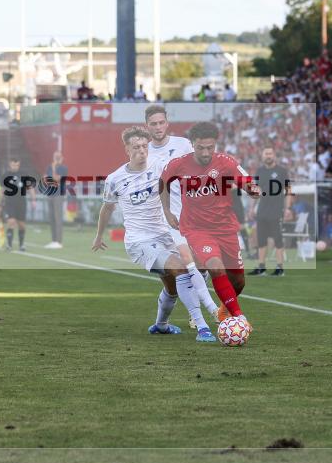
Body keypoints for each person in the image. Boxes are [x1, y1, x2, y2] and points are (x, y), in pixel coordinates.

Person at [93, 126, 216, 342]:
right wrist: (99, 235)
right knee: (181, 270)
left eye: (144, 146)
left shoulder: (160, 167)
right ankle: (202, 327)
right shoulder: (115, 179)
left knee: (175, 285)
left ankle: (161, 325)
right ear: (127, 150)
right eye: (136, 147)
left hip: (166, 234)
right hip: (140, 240)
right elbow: (107, 208)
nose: (141, 150)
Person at [160, 121, 260, 326]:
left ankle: (226, 307)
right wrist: (167, 211)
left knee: (238, 281)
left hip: (225, 227)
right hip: (196, 229)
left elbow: (247, 181)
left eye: (210, 147)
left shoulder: (226, 162)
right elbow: (162, 184)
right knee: (215, 266)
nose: (205, 152)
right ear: (193, 144)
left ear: (215, 145)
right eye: (200, 147)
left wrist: (252, 190)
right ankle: (239, 318)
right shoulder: (178, 164)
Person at [144, 105, 221, 322]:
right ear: (147, 126)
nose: (158, 127)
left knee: (199, 263)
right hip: (156, 221)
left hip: (187, 215)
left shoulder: (183, 145)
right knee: (171, 280)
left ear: (167, 123)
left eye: (161, 122)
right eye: (153, 123)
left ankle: (199, 314)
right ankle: (163, 322)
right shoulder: (144, 151)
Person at [248, 147, 292, 277]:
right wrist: (251, 208)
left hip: (277, 210)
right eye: (266, 153)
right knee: (261, 240)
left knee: (278, 240)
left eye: (270, 153)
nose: (268, 156)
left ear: (274, 155)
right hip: (262, 210)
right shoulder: (259, 171)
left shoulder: (281, 171)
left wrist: (288, 208)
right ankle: (261, 268)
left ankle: (279, 268)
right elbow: (255, 191)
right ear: (262, 156)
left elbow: (288, 190)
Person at [0, 158, 36, 252]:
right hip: (10, 202)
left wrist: (33, 200)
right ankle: (9, 245)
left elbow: (30, 188)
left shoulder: (24, 174)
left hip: (21, 202)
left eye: (17, 165)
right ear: (10, 164)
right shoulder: (5, 175)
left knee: (22, 225)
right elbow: (1, 190)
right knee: (11, 222)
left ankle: (21, 244)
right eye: (13, 165)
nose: (15, 167)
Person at [44, 151, 67, 249]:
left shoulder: (63, 168)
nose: (56, 158)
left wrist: (53, 170)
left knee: (58, 218)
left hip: (58, 194)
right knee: (52, 218)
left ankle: (59, 241)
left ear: (61, 157)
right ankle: (53, 240)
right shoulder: (49, 167)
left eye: (58, 156)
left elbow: (56, 178)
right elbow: (45, 179)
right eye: (55, 156)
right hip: (50, 193)